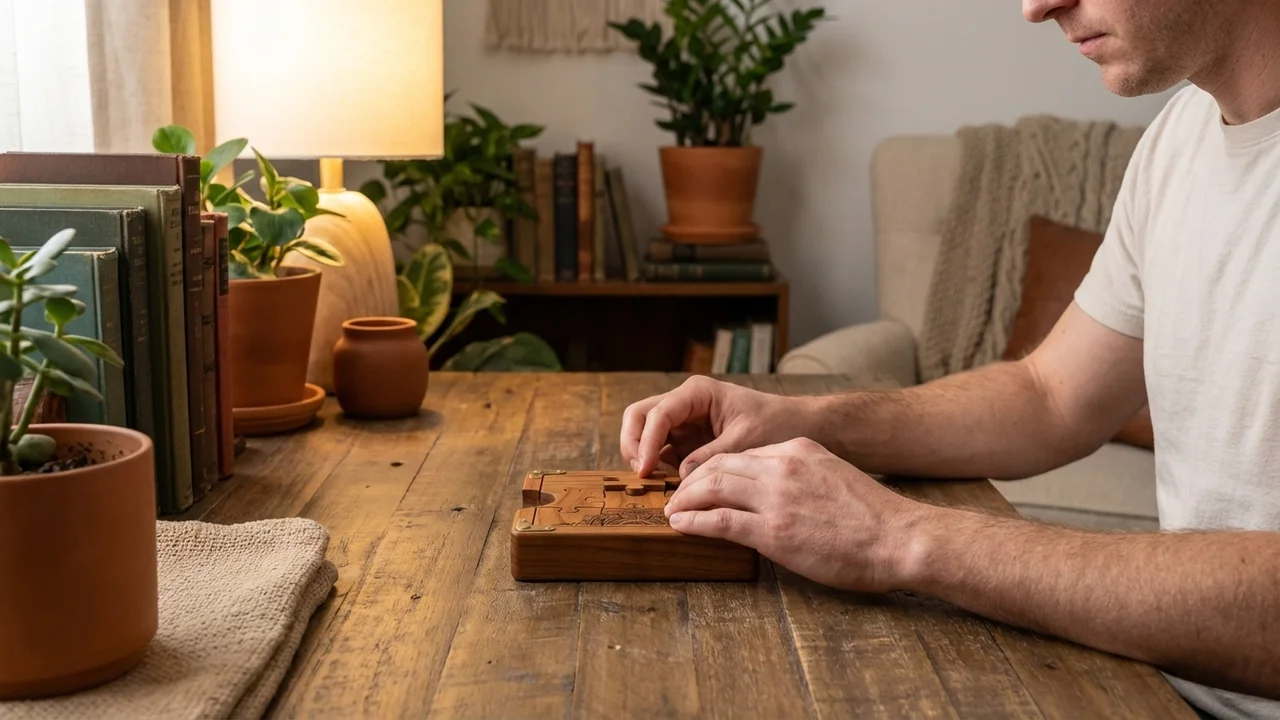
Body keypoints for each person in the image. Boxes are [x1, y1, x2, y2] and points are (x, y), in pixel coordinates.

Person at [619, 1, 1280, 718]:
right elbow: (1050, 395)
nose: (1036, 7)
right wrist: (800, 419)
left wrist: (897, 539)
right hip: (1166, 687)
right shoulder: (1179, 139)